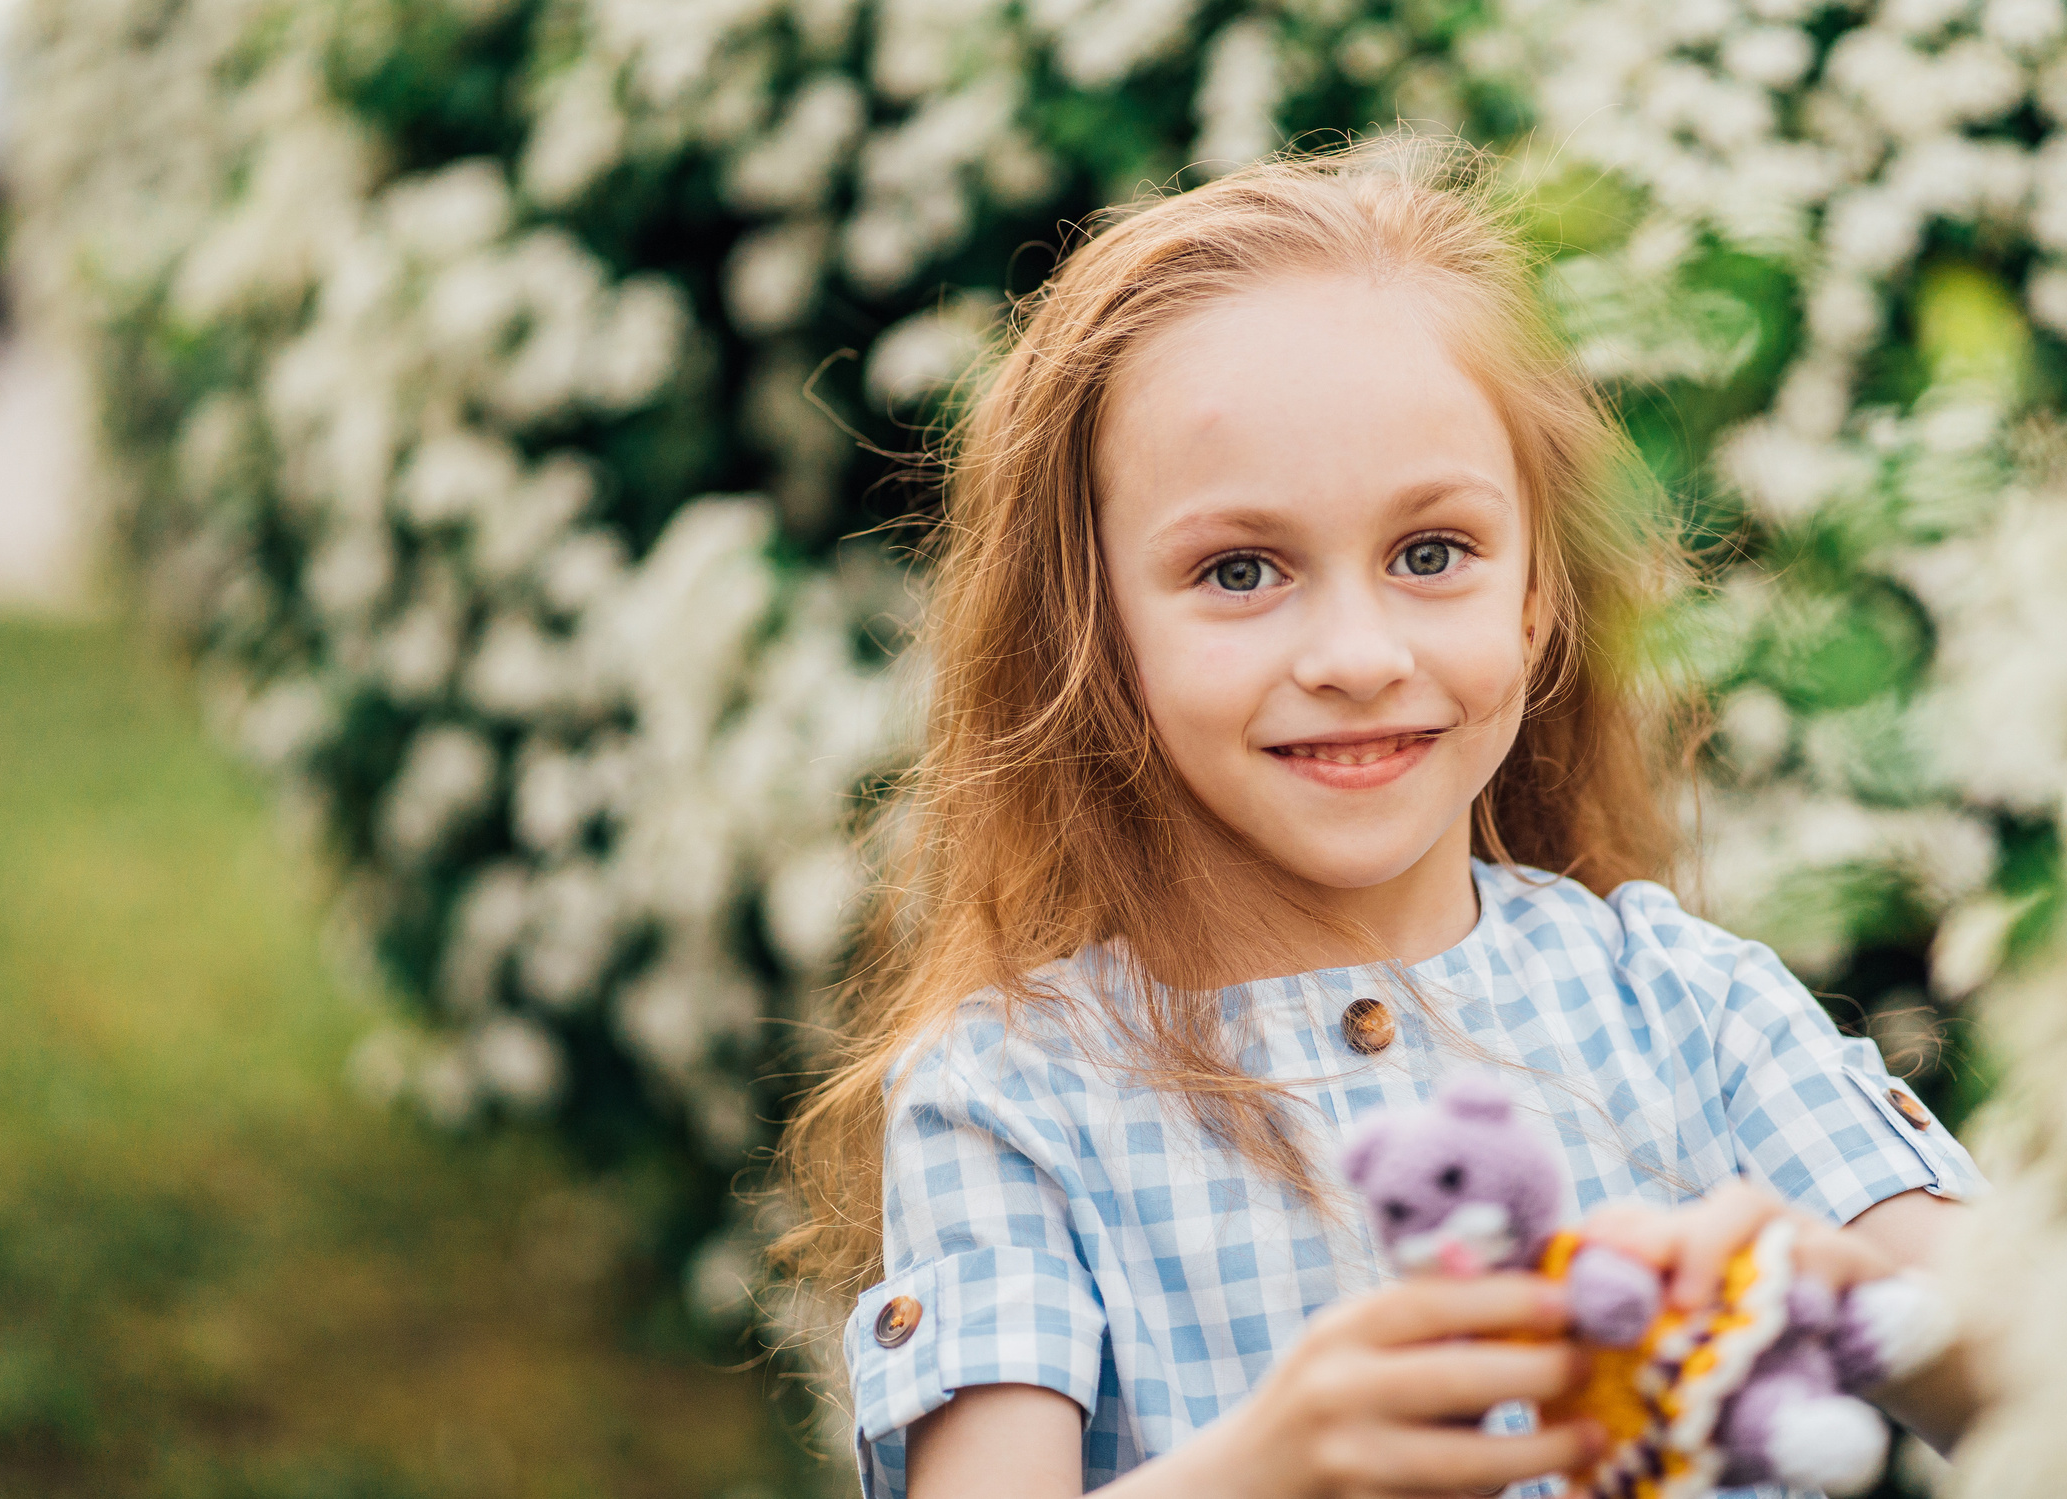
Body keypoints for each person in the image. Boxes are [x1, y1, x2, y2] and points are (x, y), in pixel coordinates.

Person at [775, 138, 1986, 1499]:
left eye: (1431, 554)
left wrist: (1842, 1291)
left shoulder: (1689, 1010)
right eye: (1240, 569)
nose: (1356, 652)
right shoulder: (1013, 1098)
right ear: (1094, 635)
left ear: (1535, 600)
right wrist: (1273, 1467)